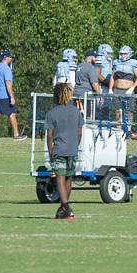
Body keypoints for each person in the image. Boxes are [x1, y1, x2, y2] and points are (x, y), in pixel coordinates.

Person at [44, 82, 84, 220]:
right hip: (73, 150)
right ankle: (63, 209)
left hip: (59, 150)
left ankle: (66, 207)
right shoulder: (76, 111)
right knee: (68, 178)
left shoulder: (51, 113)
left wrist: (50, 153)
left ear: (56, 96)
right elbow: (79, 133)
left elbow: (49, 136)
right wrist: (75, 145)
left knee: (60, 178)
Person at [0, 50, 24, 141]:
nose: (11, 59)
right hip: (4, 95)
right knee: (12, 113)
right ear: (5, 57)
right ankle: (16, 135)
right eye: (10, 57)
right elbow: (8, 83)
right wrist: (12, 96)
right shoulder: (6, 68)